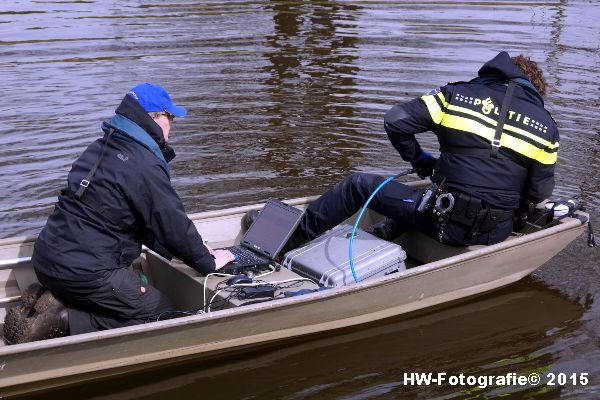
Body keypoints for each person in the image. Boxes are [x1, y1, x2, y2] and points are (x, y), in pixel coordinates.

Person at [5, 83, 235, 344]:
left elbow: (139, 223)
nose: (172, 124)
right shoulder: (143, 164)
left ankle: (50, 300)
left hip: (47, 262)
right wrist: (208, 262)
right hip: (85, 273)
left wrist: (188, 251)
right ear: (155, 118)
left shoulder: (100, 148)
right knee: (160, 312)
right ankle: (62, 319)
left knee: (124, 297)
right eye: (170, 117)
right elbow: (172, 223)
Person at [287, 51, 558, 249]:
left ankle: (288, 240)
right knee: (427, 194)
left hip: (440, 219)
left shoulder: (457, 96)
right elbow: (538, 193)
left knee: (358, 185)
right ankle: (384, 233)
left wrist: (418, 158)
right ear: (535, 91)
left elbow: (395, 120)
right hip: (493, 232)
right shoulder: (547, 127)